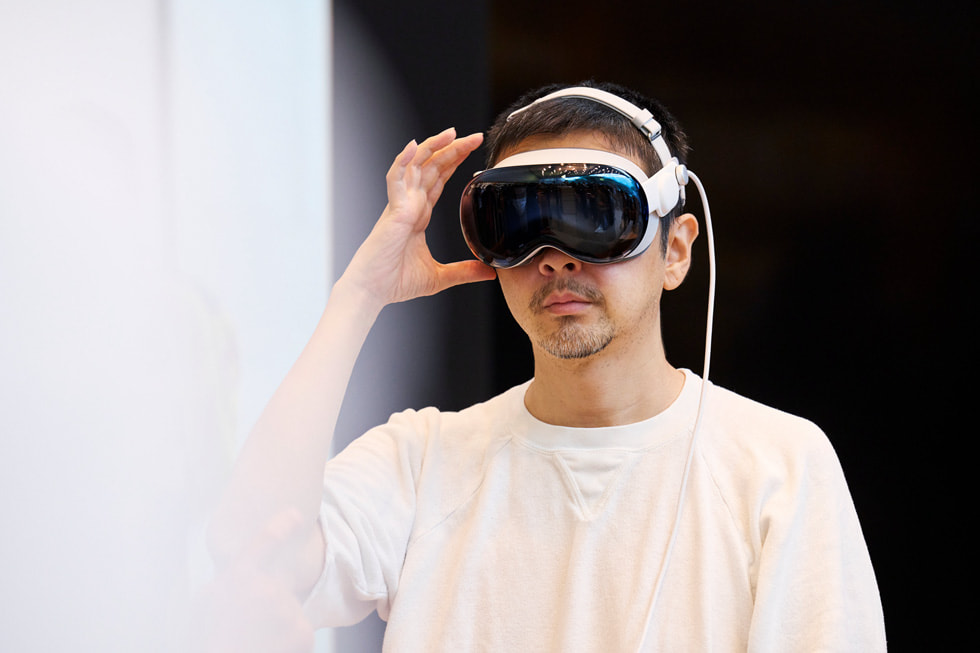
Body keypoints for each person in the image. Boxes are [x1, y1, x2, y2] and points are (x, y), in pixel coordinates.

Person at [204, 81, 887, 651]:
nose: (556, 257)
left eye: (595, 215)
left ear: (675, 250)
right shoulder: (424, 463)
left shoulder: (779, 468)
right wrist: (359, 296)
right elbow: (253, 549)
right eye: (520, 220)